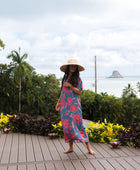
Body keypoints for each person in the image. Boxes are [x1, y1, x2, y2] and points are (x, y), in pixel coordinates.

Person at [55, 59, 95, 155]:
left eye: (74, 66)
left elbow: (79, 92)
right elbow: (63, 91)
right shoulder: (64, 79)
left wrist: (70, 86)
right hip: (65, 106)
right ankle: (71, 147)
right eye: (71, 66)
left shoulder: (78, 79)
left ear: (76, 68)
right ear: (68, 67)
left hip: (74, 106)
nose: (72, 67)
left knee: (79, 125)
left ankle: (89, 148)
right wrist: (58, 102)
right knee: (67, 126)